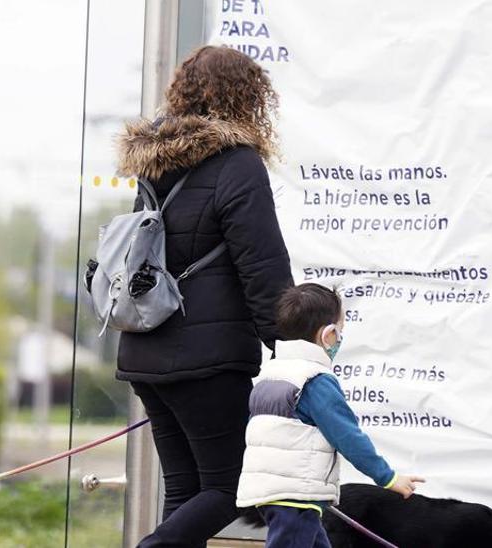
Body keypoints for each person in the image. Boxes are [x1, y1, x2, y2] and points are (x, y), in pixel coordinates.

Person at [114, 45, 294, 547]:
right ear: (248, 97)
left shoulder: (154, 165)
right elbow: (262, 266)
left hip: (146, 348)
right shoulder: (238, 164)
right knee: (231, 486)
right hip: (207, 358)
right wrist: (291, 344)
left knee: (187, 489)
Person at [236, 284, 425, 548]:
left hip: (273, 492)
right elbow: (347, 436)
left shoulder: (271, 374)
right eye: (340, 333)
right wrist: (388, 477)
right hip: (296, 495)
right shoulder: (316, 381)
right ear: (328, 335)